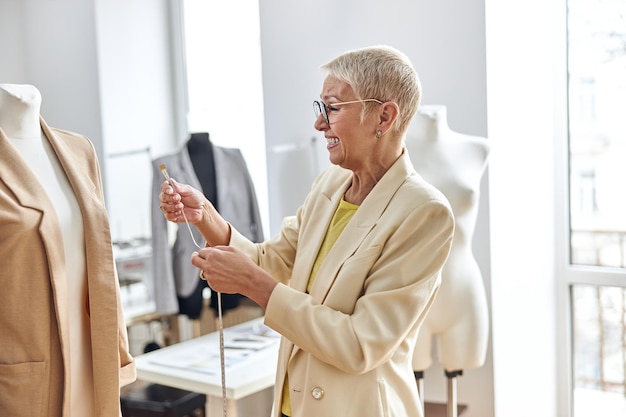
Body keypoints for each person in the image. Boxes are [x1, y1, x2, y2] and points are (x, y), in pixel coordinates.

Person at [159, 46, 455, 417]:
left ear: (385, 115)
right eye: (321, 108)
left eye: (332, 108)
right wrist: (206, 217)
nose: (319, 124)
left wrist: (254, 285)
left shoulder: (424, 213)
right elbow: (274, 261)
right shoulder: (330, 185)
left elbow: (360, 343)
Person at [0, 83, 136, 417]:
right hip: (26, 378)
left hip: (93, 364)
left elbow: (104, 264)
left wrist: (119, 352)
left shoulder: (79, 150)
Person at [406, 105, 490, 374]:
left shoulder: (477, 149)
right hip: (410, 293)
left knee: (460, 372)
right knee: (409, 383)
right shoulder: (396, 154)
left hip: (463, 289)